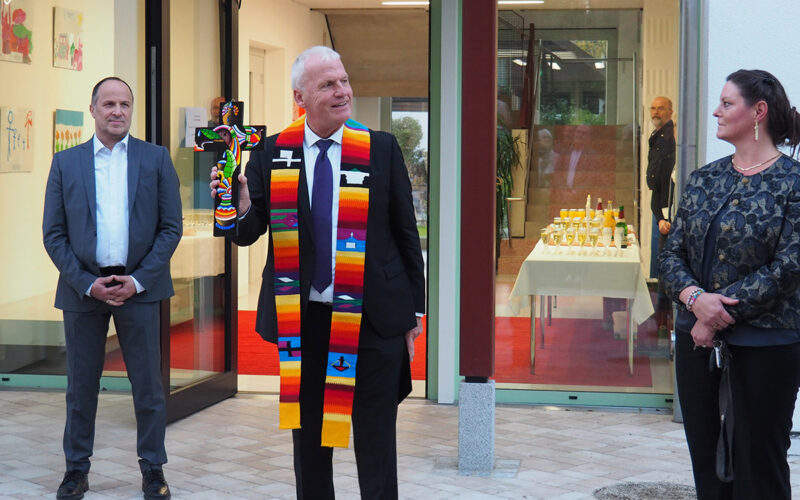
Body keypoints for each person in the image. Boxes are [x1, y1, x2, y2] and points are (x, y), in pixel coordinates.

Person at [211, 46, 424, 499]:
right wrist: (238, 205)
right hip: (304, 321)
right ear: (300, 97)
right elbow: (249, 232)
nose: (343, 91)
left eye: (344, 80)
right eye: (328, 84)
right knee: (309, 446)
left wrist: (415, 315)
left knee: (376, 443)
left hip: (374, 319)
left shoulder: (380, 149)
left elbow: (407, 236)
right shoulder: (273, 152)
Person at [659, 69, 800, 499]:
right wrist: (696, 300)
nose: (716, 111)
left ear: (758, 112)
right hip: (696, 342)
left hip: (767, 343)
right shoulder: (704, 178)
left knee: (759, 458)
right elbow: (670, 256)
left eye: (726, 103)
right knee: (706, 458)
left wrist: (717, 316)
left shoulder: (793, 183)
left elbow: (789, 266)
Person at [43, 77, 182, 500]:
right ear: (93, 109)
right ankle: (75, 471)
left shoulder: (156, 159)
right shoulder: (65, 163)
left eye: (124, 104)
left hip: (140, 287)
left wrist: (137, 280)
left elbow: (170, 227)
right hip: (84, 290)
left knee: (148, 388)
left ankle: (153, 470)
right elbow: (54, 234)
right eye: (108, 104)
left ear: (131, 110)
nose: (117, 111)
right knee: (81, 388)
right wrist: (88, 284)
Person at [646, 96, 676, 254]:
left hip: (667, 207)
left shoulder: (673, 136)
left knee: (663, 256)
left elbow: (669, 178)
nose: (655, 112)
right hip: (658, 205)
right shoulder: (656, 136)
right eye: (653, 108)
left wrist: (664, 216)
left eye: (660, 108)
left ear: (670, 113)